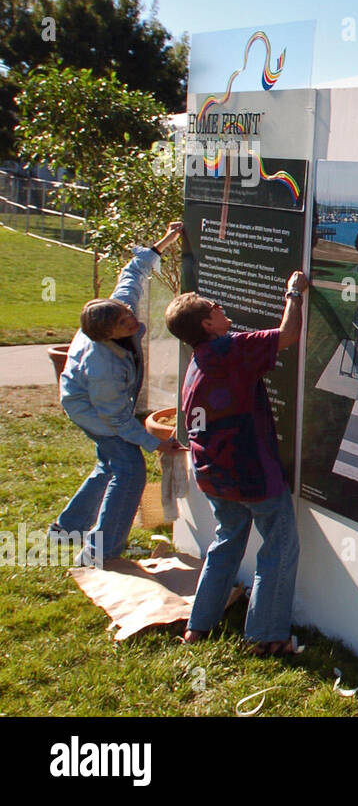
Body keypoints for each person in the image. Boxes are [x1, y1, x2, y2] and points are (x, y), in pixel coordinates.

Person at [165, 270, 308, 655]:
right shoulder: (230, 350)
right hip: (250, 474)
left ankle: (199, 625)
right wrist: (293, 292)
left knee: (227, 539)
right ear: (208, 324)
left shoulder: (197, 361)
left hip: (213, 473)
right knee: (278, 544)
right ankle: (267, 636)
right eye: (214, 307)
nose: (221, 307)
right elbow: (288, 335)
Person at [55, 222, 186, 565]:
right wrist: (155, 442)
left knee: (109, 464)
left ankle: (69, 527)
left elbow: (134, 272)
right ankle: (100, 552)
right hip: (91, 411)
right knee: (129, 470)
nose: (132, 319)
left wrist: (165, 241)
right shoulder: (103, 367)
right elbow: (114, 419)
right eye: (124, 323)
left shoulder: (116, 309)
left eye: (128, 314)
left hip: (100, 405)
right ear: (106, 335)